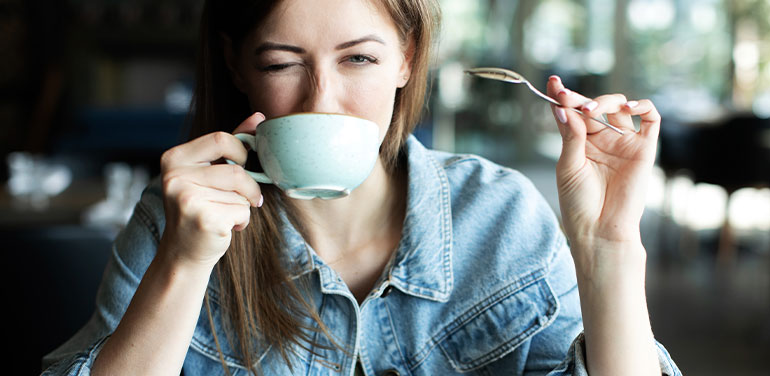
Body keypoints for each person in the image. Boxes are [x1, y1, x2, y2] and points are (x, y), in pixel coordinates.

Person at [42, 0, 681, 375]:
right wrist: (183, 266)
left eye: (359, 59)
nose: (323, 102)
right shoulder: (175, 222)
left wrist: (608, 249)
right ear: (237, 67)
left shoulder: (501, 215)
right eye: (281, 63)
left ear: (407, 56)